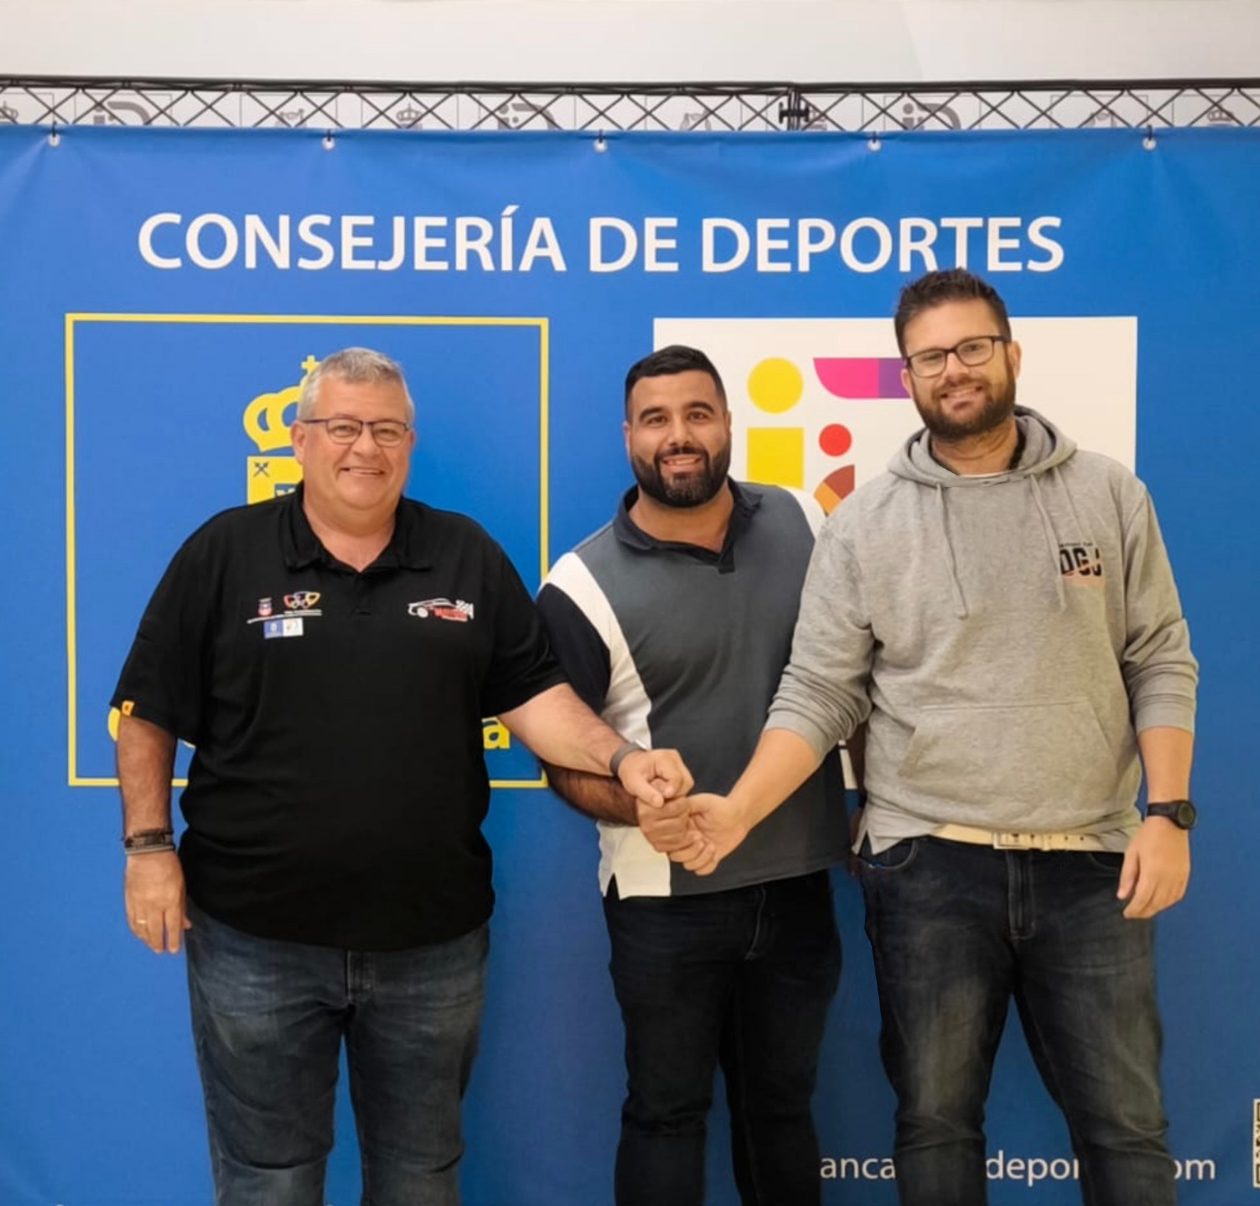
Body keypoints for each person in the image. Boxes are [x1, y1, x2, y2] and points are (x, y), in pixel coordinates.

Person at [113, 346, 691, 1206]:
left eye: (387, 430)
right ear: (299, 439)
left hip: (432, 945)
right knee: (269, 1181)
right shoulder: (224, 552)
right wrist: (148, 847)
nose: (365, 448)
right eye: (343, 427)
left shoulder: (464, 555)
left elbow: (538, 700)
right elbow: (146, 712)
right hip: (255, 942)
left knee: (420, 1179)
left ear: (410, 444)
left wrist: (622, 758)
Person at [674, 272, 1198, 1206]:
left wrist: (1168, 813)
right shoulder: (865, 524)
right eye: (930, 357)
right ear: (906, 376)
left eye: (971, 348)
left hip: (1094, 864)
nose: (954, 370)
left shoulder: (1110, 494)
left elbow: (1159, 657)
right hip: (928, 868)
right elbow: (820, 691)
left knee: (1126, 1130)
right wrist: (740, 811)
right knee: (937, 1125)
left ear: (1011, 354)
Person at [535, 345, 848, 1206]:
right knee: (666, 1115)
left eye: (697, 414)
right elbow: (560, 759)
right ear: (629, 436)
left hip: (797, 883)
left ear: (728, 424)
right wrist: (637, 809)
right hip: (663, 901)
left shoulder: (802, 521)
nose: (679, 435)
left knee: (782, 1112)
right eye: (657, 419)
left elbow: (848, 679)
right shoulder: (578, 585)